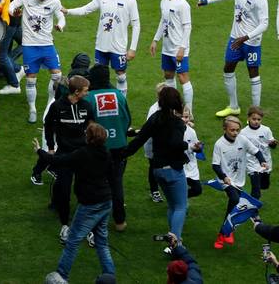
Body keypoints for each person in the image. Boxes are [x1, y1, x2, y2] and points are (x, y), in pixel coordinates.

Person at [35, 123, 115, 283]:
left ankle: (62, 276)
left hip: (89, 204)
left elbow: (58, 161)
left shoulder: (82, 153)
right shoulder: (106, 153)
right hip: (106, 201)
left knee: (72, 240)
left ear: (89, 138)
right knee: (102, 242)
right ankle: (110, 277)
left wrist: (39, 151)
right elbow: (111, 175)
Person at [119, 86, 190, 238]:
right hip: (173, 169)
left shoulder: (155, 118)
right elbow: (176, 143)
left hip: (157, 169)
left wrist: (121, 154)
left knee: (172, 206)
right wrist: (188, 146)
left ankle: (172, 237)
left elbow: (139, 140)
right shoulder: (177, 123)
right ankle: (175, 242)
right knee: (181, 206)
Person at [198, 0, 268, 116]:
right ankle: (234, 106)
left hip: (251, 42)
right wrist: (207, 0)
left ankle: (255, 112)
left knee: (253, 73)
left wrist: (245, 37)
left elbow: (264, 24)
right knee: (228, 68)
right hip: (235, 38)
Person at [33, 76, 94, 245]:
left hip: (82, 154)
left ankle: (88, 227)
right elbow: (48, 125)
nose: (88, 93)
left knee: (85, 190)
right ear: (76, 92)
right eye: (86, 90)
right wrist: (51, 147)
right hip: (64, 153)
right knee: (64, 189)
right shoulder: (58, 106)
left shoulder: (87, 106)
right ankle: (65, 226)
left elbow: (92, 126)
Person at [64, 0, 141, 95]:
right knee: (99, 74)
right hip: (101, 45)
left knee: (120, 75)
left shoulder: (129, 0)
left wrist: (132, 48)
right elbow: (86, 9)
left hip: (118, 46)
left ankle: (122, 101)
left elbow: (136, 25)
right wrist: (68, 11)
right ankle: (100, 101)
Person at [8, 0, 66, 123]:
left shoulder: (54, 1)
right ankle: (32, 109)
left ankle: (50, 103)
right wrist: (13, 11)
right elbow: (11, 5)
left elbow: (61, 16)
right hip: (30, 46)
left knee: (57, 76)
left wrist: (60, 25)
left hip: (47, 45)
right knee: (30, 79)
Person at [84, 64, 132, 231]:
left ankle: (94, 220)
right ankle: (120, 221)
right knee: (116, 183)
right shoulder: (118, 95)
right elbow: (127, 121)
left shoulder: (89, 97)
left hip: (98, 148)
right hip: (119, 146)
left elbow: (86, 125)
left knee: (95, 182)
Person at [212, 115, 269, 248]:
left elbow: (256, 151)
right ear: (224, 129)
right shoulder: (219, 144)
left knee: (234, 206)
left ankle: (225, 232)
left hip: (239, 181)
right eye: (232, 130)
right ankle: (226, 232)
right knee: (235, 200)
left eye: (237, 130)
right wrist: (224, 176)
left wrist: (262, 161)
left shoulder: (242, 139)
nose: (235, 133)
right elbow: (215, 165)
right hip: (226, 181)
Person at [150, 0, 194, 111]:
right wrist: (155, 40)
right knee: (168, 75)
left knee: (182, 77)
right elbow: (163, 22)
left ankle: (188, 111)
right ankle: (172, 105)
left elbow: (188, 27)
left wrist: (182, 48)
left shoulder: (183, 4)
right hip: (167, 48)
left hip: (178, 48)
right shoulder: (164, 1)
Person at [241, 106, 277, 198]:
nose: (256, 121)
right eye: (254, 119)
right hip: (251, 164)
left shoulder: (266, 130)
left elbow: (272, 145)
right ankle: (253, 209)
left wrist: (273, 143)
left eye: (259, 119)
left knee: (264, 185)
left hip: (266, 163)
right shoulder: (243, 133)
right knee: (256, 189)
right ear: (248, 118)